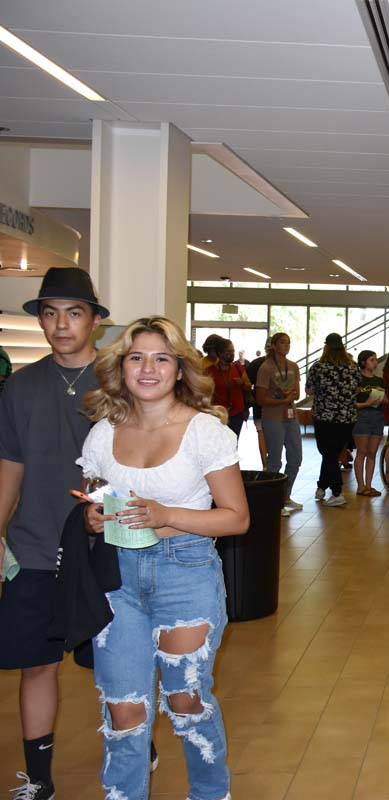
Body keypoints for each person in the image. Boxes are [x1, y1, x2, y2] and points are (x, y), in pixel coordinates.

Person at [78, 315, 248, 800]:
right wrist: (94, 518)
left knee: (185, 700)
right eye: (136, 357)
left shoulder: (205, 432)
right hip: (118, 578)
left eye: (161, 358)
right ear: (121, 368)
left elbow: (236, 518)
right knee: (124, 710)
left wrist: (164, 513)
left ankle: (210, 794)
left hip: (187, 572)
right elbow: (98, 501)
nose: (147, 368)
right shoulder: (102, 434)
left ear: (179, 370)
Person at [0, 267, 105, 800]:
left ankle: (131, 748)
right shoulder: (20, 385)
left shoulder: (120, 379)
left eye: (74, 312)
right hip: (35, 546)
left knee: (111, 663)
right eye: (50, 313)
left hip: (104, 549)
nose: (61, 324)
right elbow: (9, 467)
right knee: (37, 664)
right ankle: (38, 781)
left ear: (94, 320)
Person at [305, 333, 358, 507]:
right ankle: (321, 486)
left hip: (324, 417)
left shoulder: (318, 367)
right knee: (332, 453)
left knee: (328, 453)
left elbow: (309, 391)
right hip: (347, 417)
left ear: (326, 346)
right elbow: (357, 389)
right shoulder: (353, 367)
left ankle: (337, 492)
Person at [255, 332, 303, 516]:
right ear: (273, 346)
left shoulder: (293, 366)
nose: (286, 345)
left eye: (288, 342)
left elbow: (296, 394)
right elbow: (261, 398)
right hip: (273, 417)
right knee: (274, 460)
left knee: (296, 458)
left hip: (291, 416)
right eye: (282, 342)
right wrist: (282, 400)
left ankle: (285, 495)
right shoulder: (266, 367)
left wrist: (288, 397)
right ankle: (272, 500)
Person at [353, 349, 387, 496]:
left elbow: (386, 401)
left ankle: (369, 485)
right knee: (362, 452)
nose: (375, 363)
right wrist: (367, 403)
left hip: (377, 416)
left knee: (372, 453)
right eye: (372, 360)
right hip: (362, 416)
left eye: (375, 360)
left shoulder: (379, 381)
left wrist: (381, 395)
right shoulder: (356, 380)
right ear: (363, 362)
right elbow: (351, 403)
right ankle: (360, 486)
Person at [205, 337, 251, 437]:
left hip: (237, 413)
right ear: (220, 353)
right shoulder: (209, 371)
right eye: (228, 351)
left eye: (233, 351)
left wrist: (242, 383)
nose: (232, 353)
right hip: (217, 414)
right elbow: (205, 393)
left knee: (234, 442)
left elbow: (248, 386)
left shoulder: (238, 367)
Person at [245, 340, 270, 467]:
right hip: (276, 405)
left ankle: (265, 464)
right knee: (274, 435)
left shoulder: (256, 363)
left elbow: (247, 384)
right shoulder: (282, 364)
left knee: (261, 433)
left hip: (259, 402)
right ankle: (271, 462)